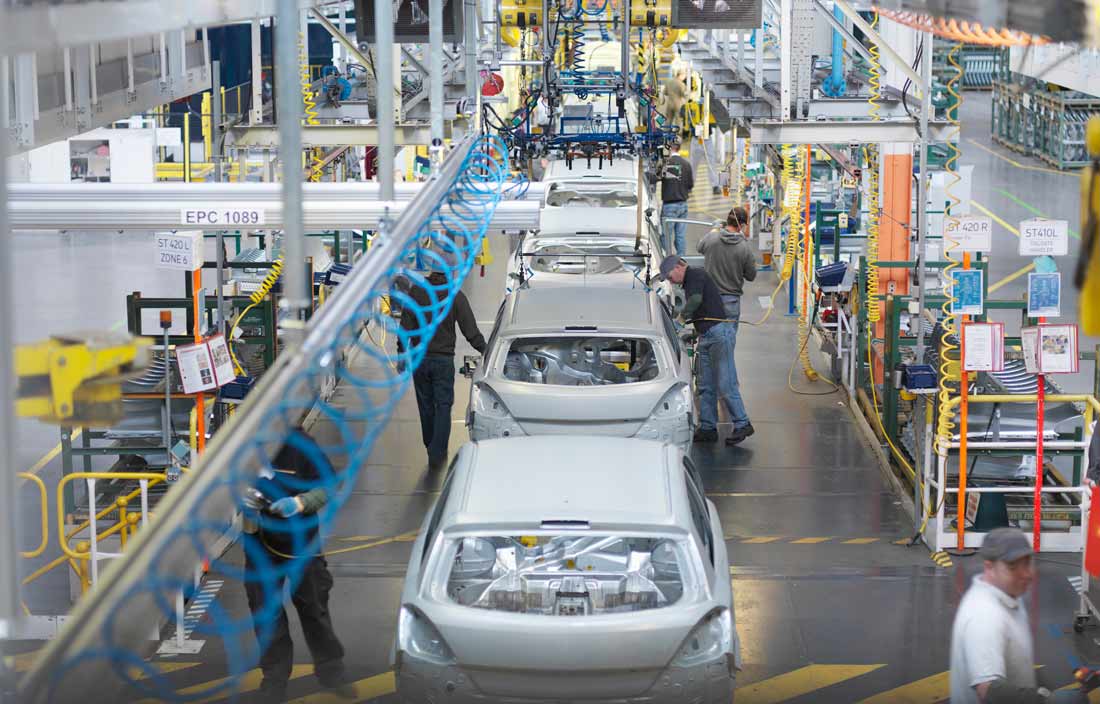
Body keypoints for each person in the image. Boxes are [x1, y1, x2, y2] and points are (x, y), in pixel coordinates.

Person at [242, 429, 352, 701]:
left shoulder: (302, 445)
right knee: (266, 612)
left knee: (314, 606)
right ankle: (274, 681)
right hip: (259, 541)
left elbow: (329, 485)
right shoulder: (245, 444)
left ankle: (331, 672)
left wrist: (301, 502)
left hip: (301, 542)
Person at [949, 528, 1091, 703]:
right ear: (989, 567)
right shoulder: (985, 616)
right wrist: (1047, 700)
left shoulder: (1008, 593)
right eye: (1012, 566)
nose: (1026, 574)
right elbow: (987, 690)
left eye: (1027, 563)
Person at [659, 255, 753, 446]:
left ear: (678, 267)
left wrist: (680, 320)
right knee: (705, 385)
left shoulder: (695, 275)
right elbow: (702, 308)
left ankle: (743, 423)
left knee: (726, 382)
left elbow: (695, 300)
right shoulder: (690, 280)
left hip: (719, 335)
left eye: (669, 277)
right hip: (707, 335)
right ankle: (708, 427)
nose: (671, 281)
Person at [399, 271, 487, 469]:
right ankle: (437, 453)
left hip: (420, 360)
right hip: (443, 360)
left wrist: (401, 353)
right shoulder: (454, 294)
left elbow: (405, 328)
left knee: (426, 405)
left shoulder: (416, 292)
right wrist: (486, 350)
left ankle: (430, 443)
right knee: (444, 405)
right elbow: (470, 331)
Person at [697, 206, 758, 326]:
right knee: (727, 339)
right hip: (731, 301)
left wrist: (714, 230)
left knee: (709, 335)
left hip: (710, 297)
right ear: (741, 225)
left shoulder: (712, 238)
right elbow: (751, 276)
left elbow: (700, 247)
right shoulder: (744, 248)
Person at [660, 138, 694, 257]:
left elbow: (656, 178)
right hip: (683, 205)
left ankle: (667, 259)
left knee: (666, 235)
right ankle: (681, 261)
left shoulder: (667, 163)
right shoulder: (686, 164)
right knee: (680, 235)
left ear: (669, 147)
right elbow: (690, 185)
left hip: (670, 206)